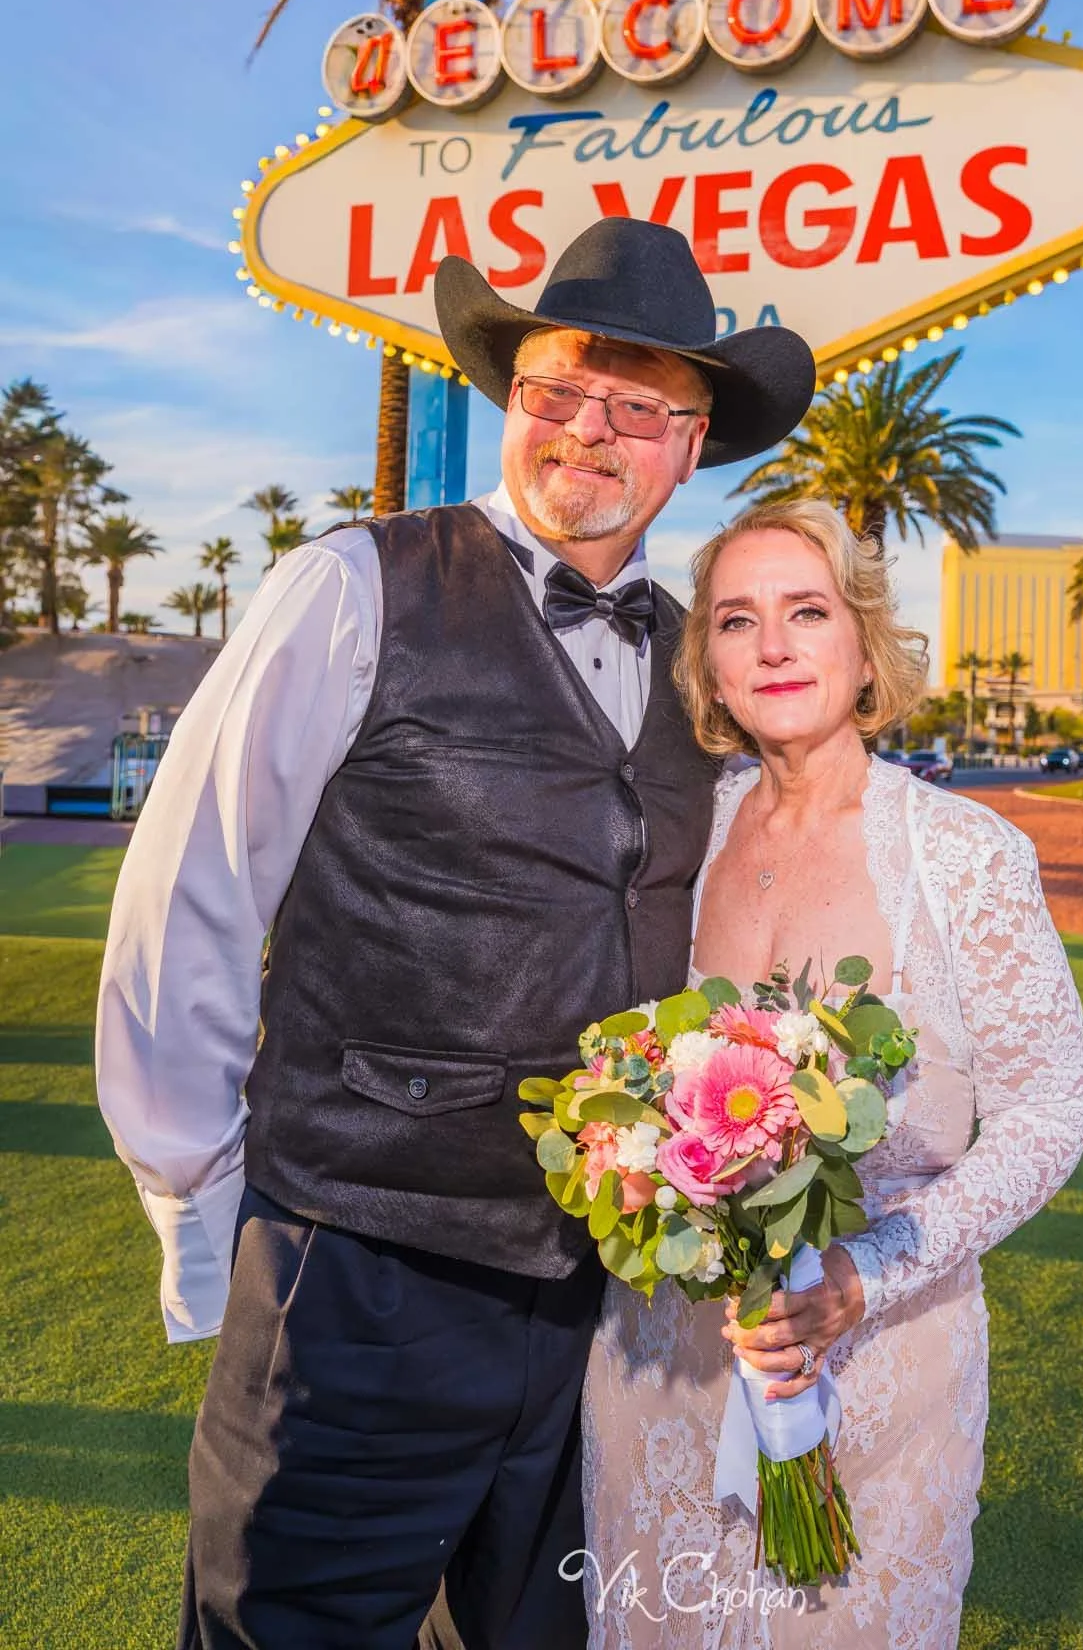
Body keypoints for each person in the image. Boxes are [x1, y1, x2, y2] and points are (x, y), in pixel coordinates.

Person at [94, 218, 816, 1650]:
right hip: (354, 1275)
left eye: (638, 409)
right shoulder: (355, 585)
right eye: (557, 389)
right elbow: (190, 901)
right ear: (510, 398)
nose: (587, 431)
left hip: (598, 1307)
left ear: (691, 449)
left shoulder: (696, 660)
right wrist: (211, 1217)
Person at [582, 499, 1083, 1649]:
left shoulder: (964, 856)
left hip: (881, 1371)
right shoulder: (674, 843)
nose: (772, 645)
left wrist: (868, 1269)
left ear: (865, 647)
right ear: (706, 667)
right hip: (665, 1363)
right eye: (736, 620)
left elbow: (1056, 1105)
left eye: (806, 611)